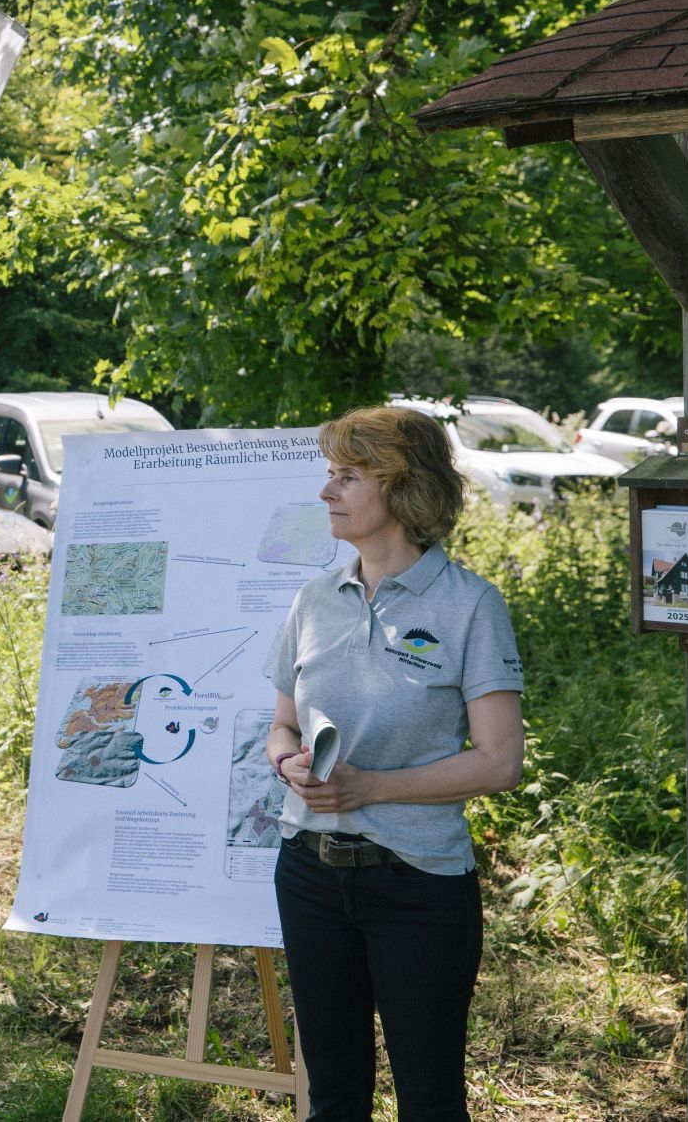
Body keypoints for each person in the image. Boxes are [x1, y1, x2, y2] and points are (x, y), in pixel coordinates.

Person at [265, 406, 525, 1122]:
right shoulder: (314, 599)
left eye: (348, 476)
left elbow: (501, 760)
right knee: (334, 1097)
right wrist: (290, 761)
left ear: (404, 489)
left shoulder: (470, 605)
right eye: (329, 474)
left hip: (418, 885)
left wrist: (368, 786)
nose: (327, 491)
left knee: (430, 1101)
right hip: (311, 875)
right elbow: (282, 722)